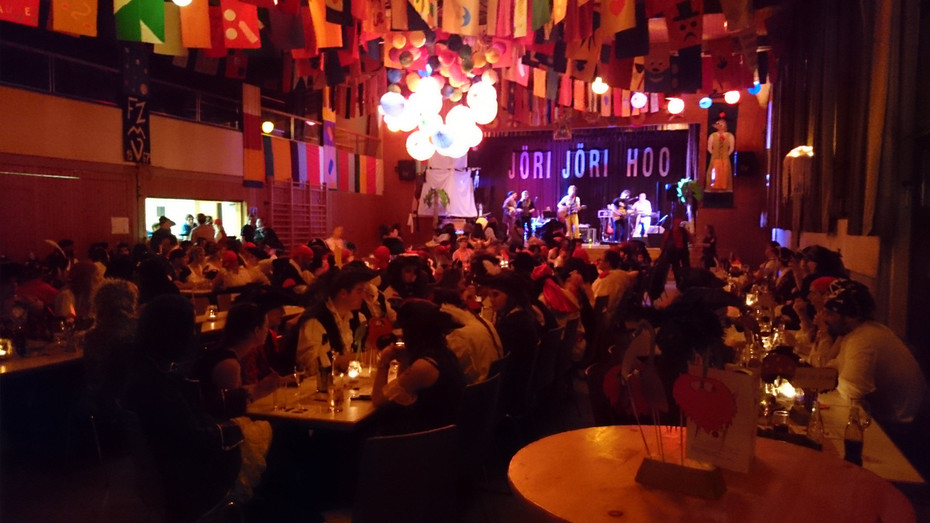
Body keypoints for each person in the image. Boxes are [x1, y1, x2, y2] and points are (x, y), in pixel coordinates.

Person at [821, 279, 926, 426]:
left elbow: (851, 392)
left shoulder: (863, 340)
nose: (824, 318)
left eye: (830, 313)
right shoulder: (863, 332)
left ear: (851, 316)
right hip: (897, 419)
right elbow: (837, 365)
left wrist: (817, 396)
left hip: (899, 427)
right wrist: (810, 378)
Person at [372, 299, 466, 434]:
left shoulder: (423, 367)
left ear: (412, 333)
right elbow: (402, 395)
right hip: (445, 433)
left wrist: (383, 361)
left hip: (427, 440)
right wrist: (405, 359)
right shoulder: (444, 353)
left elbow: (378, 400)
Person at [295, 266, 376, 377]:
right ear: (343, 293)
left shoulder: (355, 317)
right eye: (359, 291)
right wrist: (362, 357)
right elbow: (312, 365)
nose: (364, 296)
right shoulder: (316, 320)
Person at [706, 117, 735, 191]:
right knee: (713, 172)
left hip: (725, 158)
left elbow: (731, 148)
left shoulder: (730, 136)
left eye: (722, 124)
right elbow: (709, 147)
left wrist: (726, 154)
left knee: (725, 173)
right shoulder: (713, 135)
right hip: (715, 158)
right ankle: (712, 187)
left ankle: (724, 188)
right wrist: (714, 154)